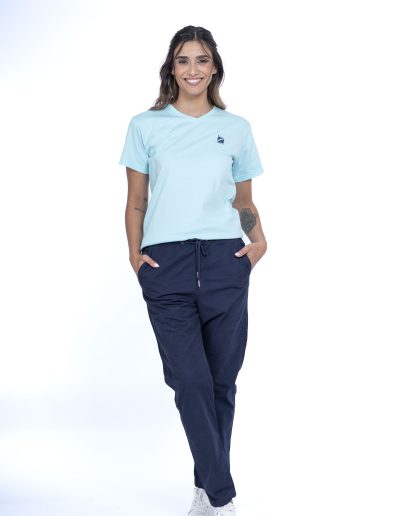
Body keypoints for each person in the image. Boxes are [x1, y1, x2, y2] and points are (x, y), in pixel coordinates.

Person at [119, 25, 267, 516]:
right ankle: (223, 497)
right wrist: (135, 255)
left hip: (225, 262)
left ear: (215, 68)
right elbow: (136, 200)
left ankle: (205, 492)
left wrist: (259, 240)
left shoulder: (236, 128)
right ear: (171, 68)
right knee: (191, 382)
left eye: (202, 59)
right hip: (167, 266)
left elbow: (243, 201)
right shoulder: (145, 126)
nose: (193, 69)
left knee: (221, 383)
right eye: (183, 60)